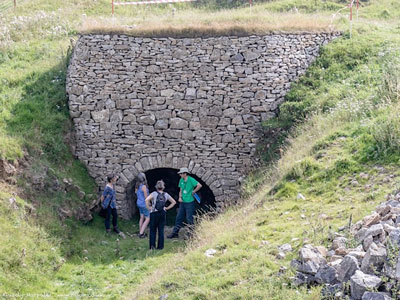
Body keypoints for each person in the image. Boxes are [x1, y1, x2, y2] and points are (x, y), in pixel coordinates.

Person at [167, 167, 202, 239]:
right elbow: (181, 190)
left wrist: (194, 191)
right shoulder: (181, 180)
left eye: (181, 173)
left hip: (190, 202)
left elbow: (199, 185)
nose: (180, 175)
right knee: (179, 217)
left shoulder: (191, 179)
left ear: (185, 173)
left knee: (189, 218)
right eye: (180, 174)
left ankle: (191, 234)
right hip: (183, 202)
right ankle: (175, 233)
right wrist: (180, 197)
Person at [145, 180, 176, 250]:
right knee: (161, 230)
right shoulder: (166, 194)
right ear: (163, 187)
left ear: (156, 187)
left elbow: (146, 200)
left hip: (154, 213)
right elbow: (174, 202)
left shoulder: (153, 193)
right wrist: (167, 208)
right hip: (162, 213)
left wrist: (149, 208)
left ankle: (152, 246)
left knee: (152, 230)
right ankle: (160, 247)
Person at [135, 173, 150, 238]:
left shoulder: (137, 186)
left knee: (141, 217)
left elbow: (136, 193)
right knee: (147, 218)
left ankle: (140, 231)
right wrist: (149, 204)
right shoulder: (144, 187)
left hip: (139, 203)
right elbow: (146, 197)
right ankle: (141, 233)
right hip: (144, 204)